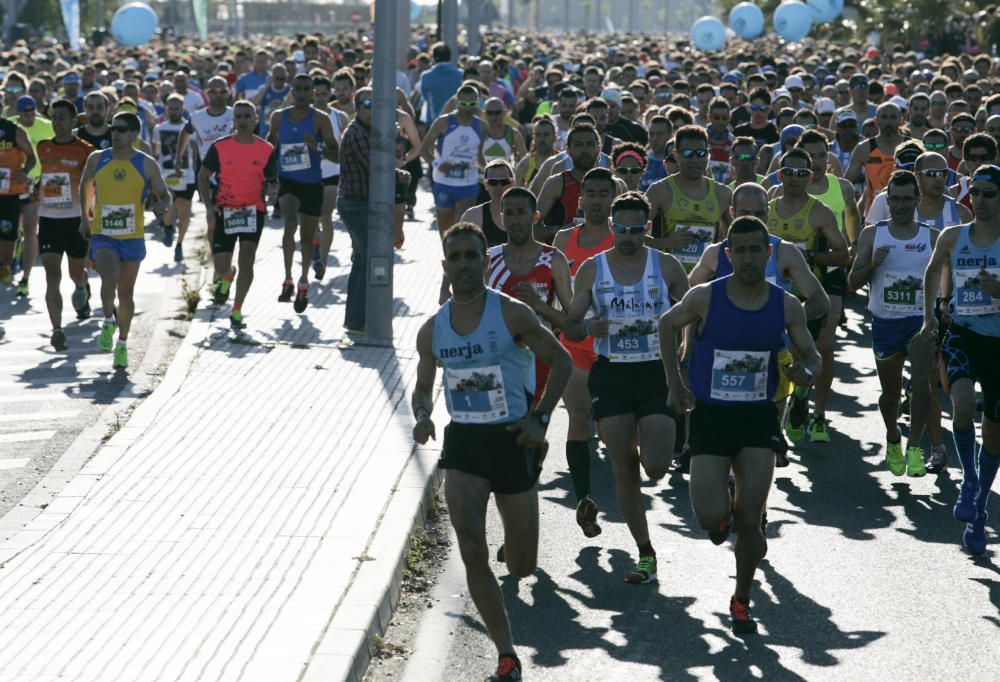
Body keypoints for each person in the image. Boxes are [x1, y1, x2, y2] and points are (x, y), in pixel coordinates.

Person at [411, 222, 571, 682]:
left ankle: (515, 552)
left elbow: (560, 361)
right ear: (445, 266)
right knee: (471, 549)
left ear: (485, 261)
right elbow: (422, 390)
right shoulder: (432, 330)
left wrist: (540, 418)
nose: (463, 264)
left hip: (512, 441)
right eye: (455, 257)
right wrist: (423, 415)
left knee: (522, 564)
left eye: (471, 256)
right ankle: (506, 652)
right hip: (464, 443)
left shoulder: (512, 314)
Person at [659, 215, 821, 634]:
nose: (748, 258)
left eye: (756, 250)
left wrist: (808, 371)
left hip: (757, 419)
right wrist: (675, 384)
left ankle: (742, 599)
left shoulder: (785, 304)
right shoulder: (704, 297)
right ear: (728, 256)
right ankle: (730, 521)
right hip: (711, 418)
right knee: (711, 520)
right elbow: (665, 324)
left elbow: (812, 354)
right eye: (740, 251)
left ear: (769, 254)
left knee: (750, 518)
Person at [563, 191, 690, 584]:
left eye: (637, 229)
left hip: (655, 373)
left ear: (647, 229)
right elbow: (569, 324)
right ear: (612, 227)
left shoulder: (665, 266)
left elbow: (693, 313)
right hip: (612, 375)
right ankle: (645, 552)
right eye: (622, 229)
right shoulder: (591, 269)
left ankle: (679, 434)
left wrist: (684, 346)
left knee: (654, 467)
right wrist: (587, 326)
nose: (629, 236)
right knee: (624, 467)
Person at [922, 163, 1000, 556]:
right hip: (964, 335)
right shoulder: (953, 237)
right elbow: (932, 271)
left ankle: (981, 508)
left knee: (995, 432)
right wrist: (929, 315)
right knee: (963, 406)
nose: (981, 201)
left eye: (990, 193)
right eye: (977, 194)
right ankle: (969, 479)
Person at [849, 170, 937, 476]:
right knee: (891, 394)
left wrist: (939, 310)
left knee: (923, 384)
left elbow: (945, 280)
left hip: (918, 321)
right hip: (885, 322)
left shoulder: (931, 237)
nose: (900, 205)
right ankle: (892, 437)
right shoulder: (873, 235)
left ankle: (915, 447)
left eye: (906, 199)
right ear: (887, 200)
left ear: (918, 199)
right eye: (894, 199)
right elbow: (852, 282)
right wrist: (873, 263)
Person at [551, 167, 618, 538]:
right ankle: (584, 499)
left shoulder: (623, 239)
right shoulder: (564, 240)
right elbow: (554, 290)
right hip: (574, 344)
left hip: (615, 349)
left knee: (611, 429)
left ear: (612, 198)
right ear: (581, 200)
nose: (595, 200)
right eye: (589, 193)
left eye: (602, 194)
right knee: (579, 417)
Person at [767, 148, 849, 443]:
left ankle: (801, 397)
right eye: (789, 172)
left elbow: (843, 254)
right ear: (780, 174)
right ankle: (773, 433)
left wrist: (812, 255)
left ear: (810, 176)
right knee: (776, 362)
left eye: (802, 173)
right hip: (769, 299)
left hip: (806, 300)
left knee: (804, 359)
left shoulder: (819, 212)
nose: (795, 178)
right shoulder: (768, 209)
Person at [78, 112, 171, 369]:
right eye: (113, 129)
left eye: (121, 130)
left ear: (133, 134)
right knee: (109, 277)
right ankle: (108, 320)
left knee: (126, 293)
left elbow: (164, 193)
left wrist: (163, 205)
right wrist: (85, 219)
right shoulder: (98, 158)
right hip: (104, 235)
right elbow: (85, 185)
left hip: (132, 237)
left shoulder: (146, 163)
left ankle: (122, 343)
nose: (115, 134)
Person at [199, 100, 277, 329]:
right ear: (233, 121)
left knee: (248, 261)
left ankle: (237, 309)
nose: (243, 121)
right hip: (225, 208)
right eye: (239, 117)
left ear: (256, 120)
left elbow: (272, 182)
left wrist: (272, 192)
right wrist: (209, 208)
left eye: (247, 116)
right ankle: (227, 275)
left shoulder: (266, 150)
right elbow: (203, 176)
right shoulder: (220, 146)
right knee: (222, 264)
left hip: (253, 210)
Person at [267, 73, 340, 313]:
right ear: (292, 91)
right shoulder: (279, 117)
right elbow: (269, 146)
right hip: (288, 181)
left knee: (308, 238)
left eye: (306, 89)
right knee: (289, 225)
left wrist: (316, 146)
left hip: (311, 184)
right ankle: (287, 278)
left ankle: (303, 280)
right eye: (297, 89)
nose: (301, 93)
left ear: (312, 93)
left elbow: (336, 154)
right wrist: (267, 179)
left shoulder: (321, 119)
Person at [36, 98, 93, 349]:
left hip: (75, 221)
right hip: (48, 219)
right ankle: (57, 328)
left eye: (62, 117)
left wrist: (89, 217)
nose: (57, 122)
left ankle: (82, 285)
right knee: (52, 275)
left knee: (74, 273)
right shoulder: (43, 147)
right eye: (54, 117)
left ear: (73, 121)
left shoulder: (85, 150)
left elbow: (94, 187)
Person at [646, 125, 733, 271]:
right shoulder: (659, 190)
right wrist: (667, 242)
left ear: (708, 155)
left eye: (700, 153)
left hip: (707, 279)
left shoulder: (722, 193)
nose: (694, 159)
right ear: (676, 155)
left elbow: (736, 240)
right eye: (687, 153)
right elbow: (633, 236)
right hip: (669, 277)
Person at [418, 83, 485, 239]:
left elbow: (480, 156)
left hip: (468, 184)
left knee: (463, 228)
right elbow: (424, 149)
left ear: (478, 102)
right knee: (446, 232)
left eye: (472, 104)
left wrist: (489, 169)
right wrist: (438, 165)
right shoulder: (444, 122)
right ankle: (449, 260)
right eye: (463, 104)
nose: (468, 108)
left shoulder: (482, 126)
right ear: (456, 103)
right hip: (443, 182)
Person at [11, 94, 54, 297]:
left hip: (36, 183)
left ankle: (25, 278)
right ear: (17, 113)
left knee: (30, 228)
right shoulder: (10, 127)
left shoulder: (46, 126)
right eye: (24, 113)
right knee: (11, 229)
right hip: (10, 185)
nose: (29, 116)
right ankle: (13, 250)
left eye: (32, 112)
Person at [153, 94, 195, 262]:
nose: (174, 111)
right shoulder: (159, 128)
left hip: (187, 174)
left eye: (177, 108)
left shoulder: (190, 127)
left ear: (182, 108)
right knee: (170, 205)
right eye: (171, 108)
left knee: (184, 212)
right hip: (166, 174)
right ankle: (169, 227)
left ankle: (179, 244)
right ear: (166, 109)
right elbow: (156, 153)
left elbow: (195, 150)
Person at [0, 102, 34, 287]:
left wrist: (25, 171)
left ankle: (6, 261)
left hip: (9, 194)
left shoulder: (14, 131)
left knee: (6, 253)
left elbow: (31, 156)